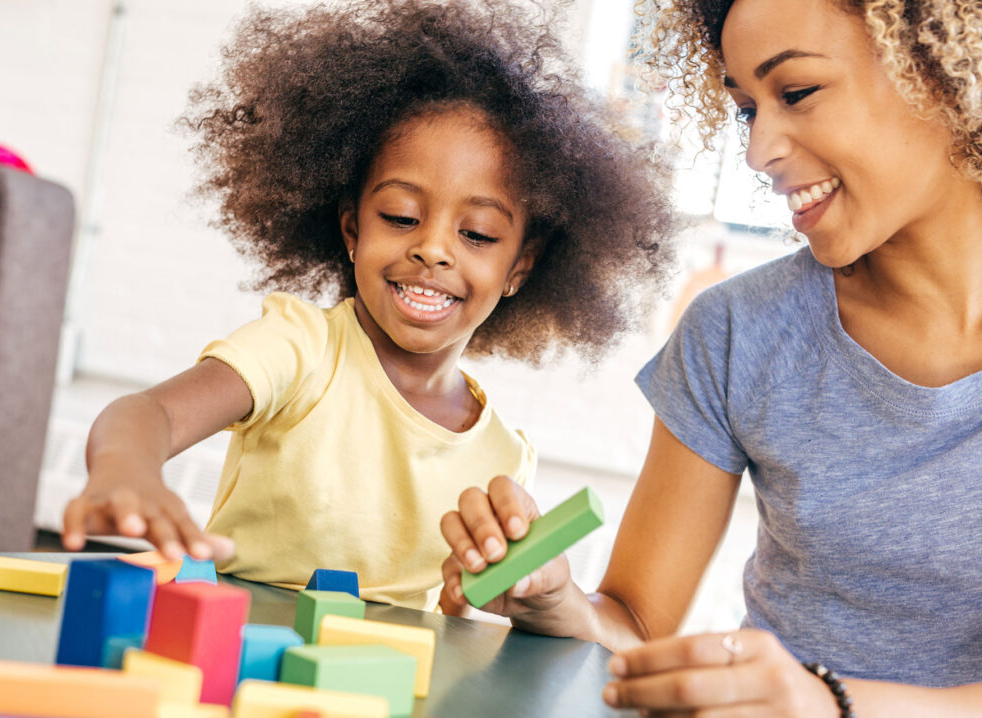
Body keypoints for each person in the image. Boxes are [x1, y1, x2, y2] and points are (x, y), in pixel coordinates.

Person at [440, 0, 982, 712]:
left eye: (796, 93)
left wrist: (829, 703)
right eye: (746, 110)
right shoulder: (739, 333)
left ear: (938, 70)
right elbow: (636, 626)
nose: (759, 150)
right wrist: (563, 607)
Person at [60, 0, 677, 611]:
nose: (433, 248)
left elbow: (459, 621)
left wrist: (495, 590)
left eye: (478, 234)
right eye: (401, 217)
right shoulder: (301, 350)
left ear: (519, 265)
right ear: (353, 230)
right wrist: (127, 470)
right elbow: (149, 415)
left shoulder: (504, 459)